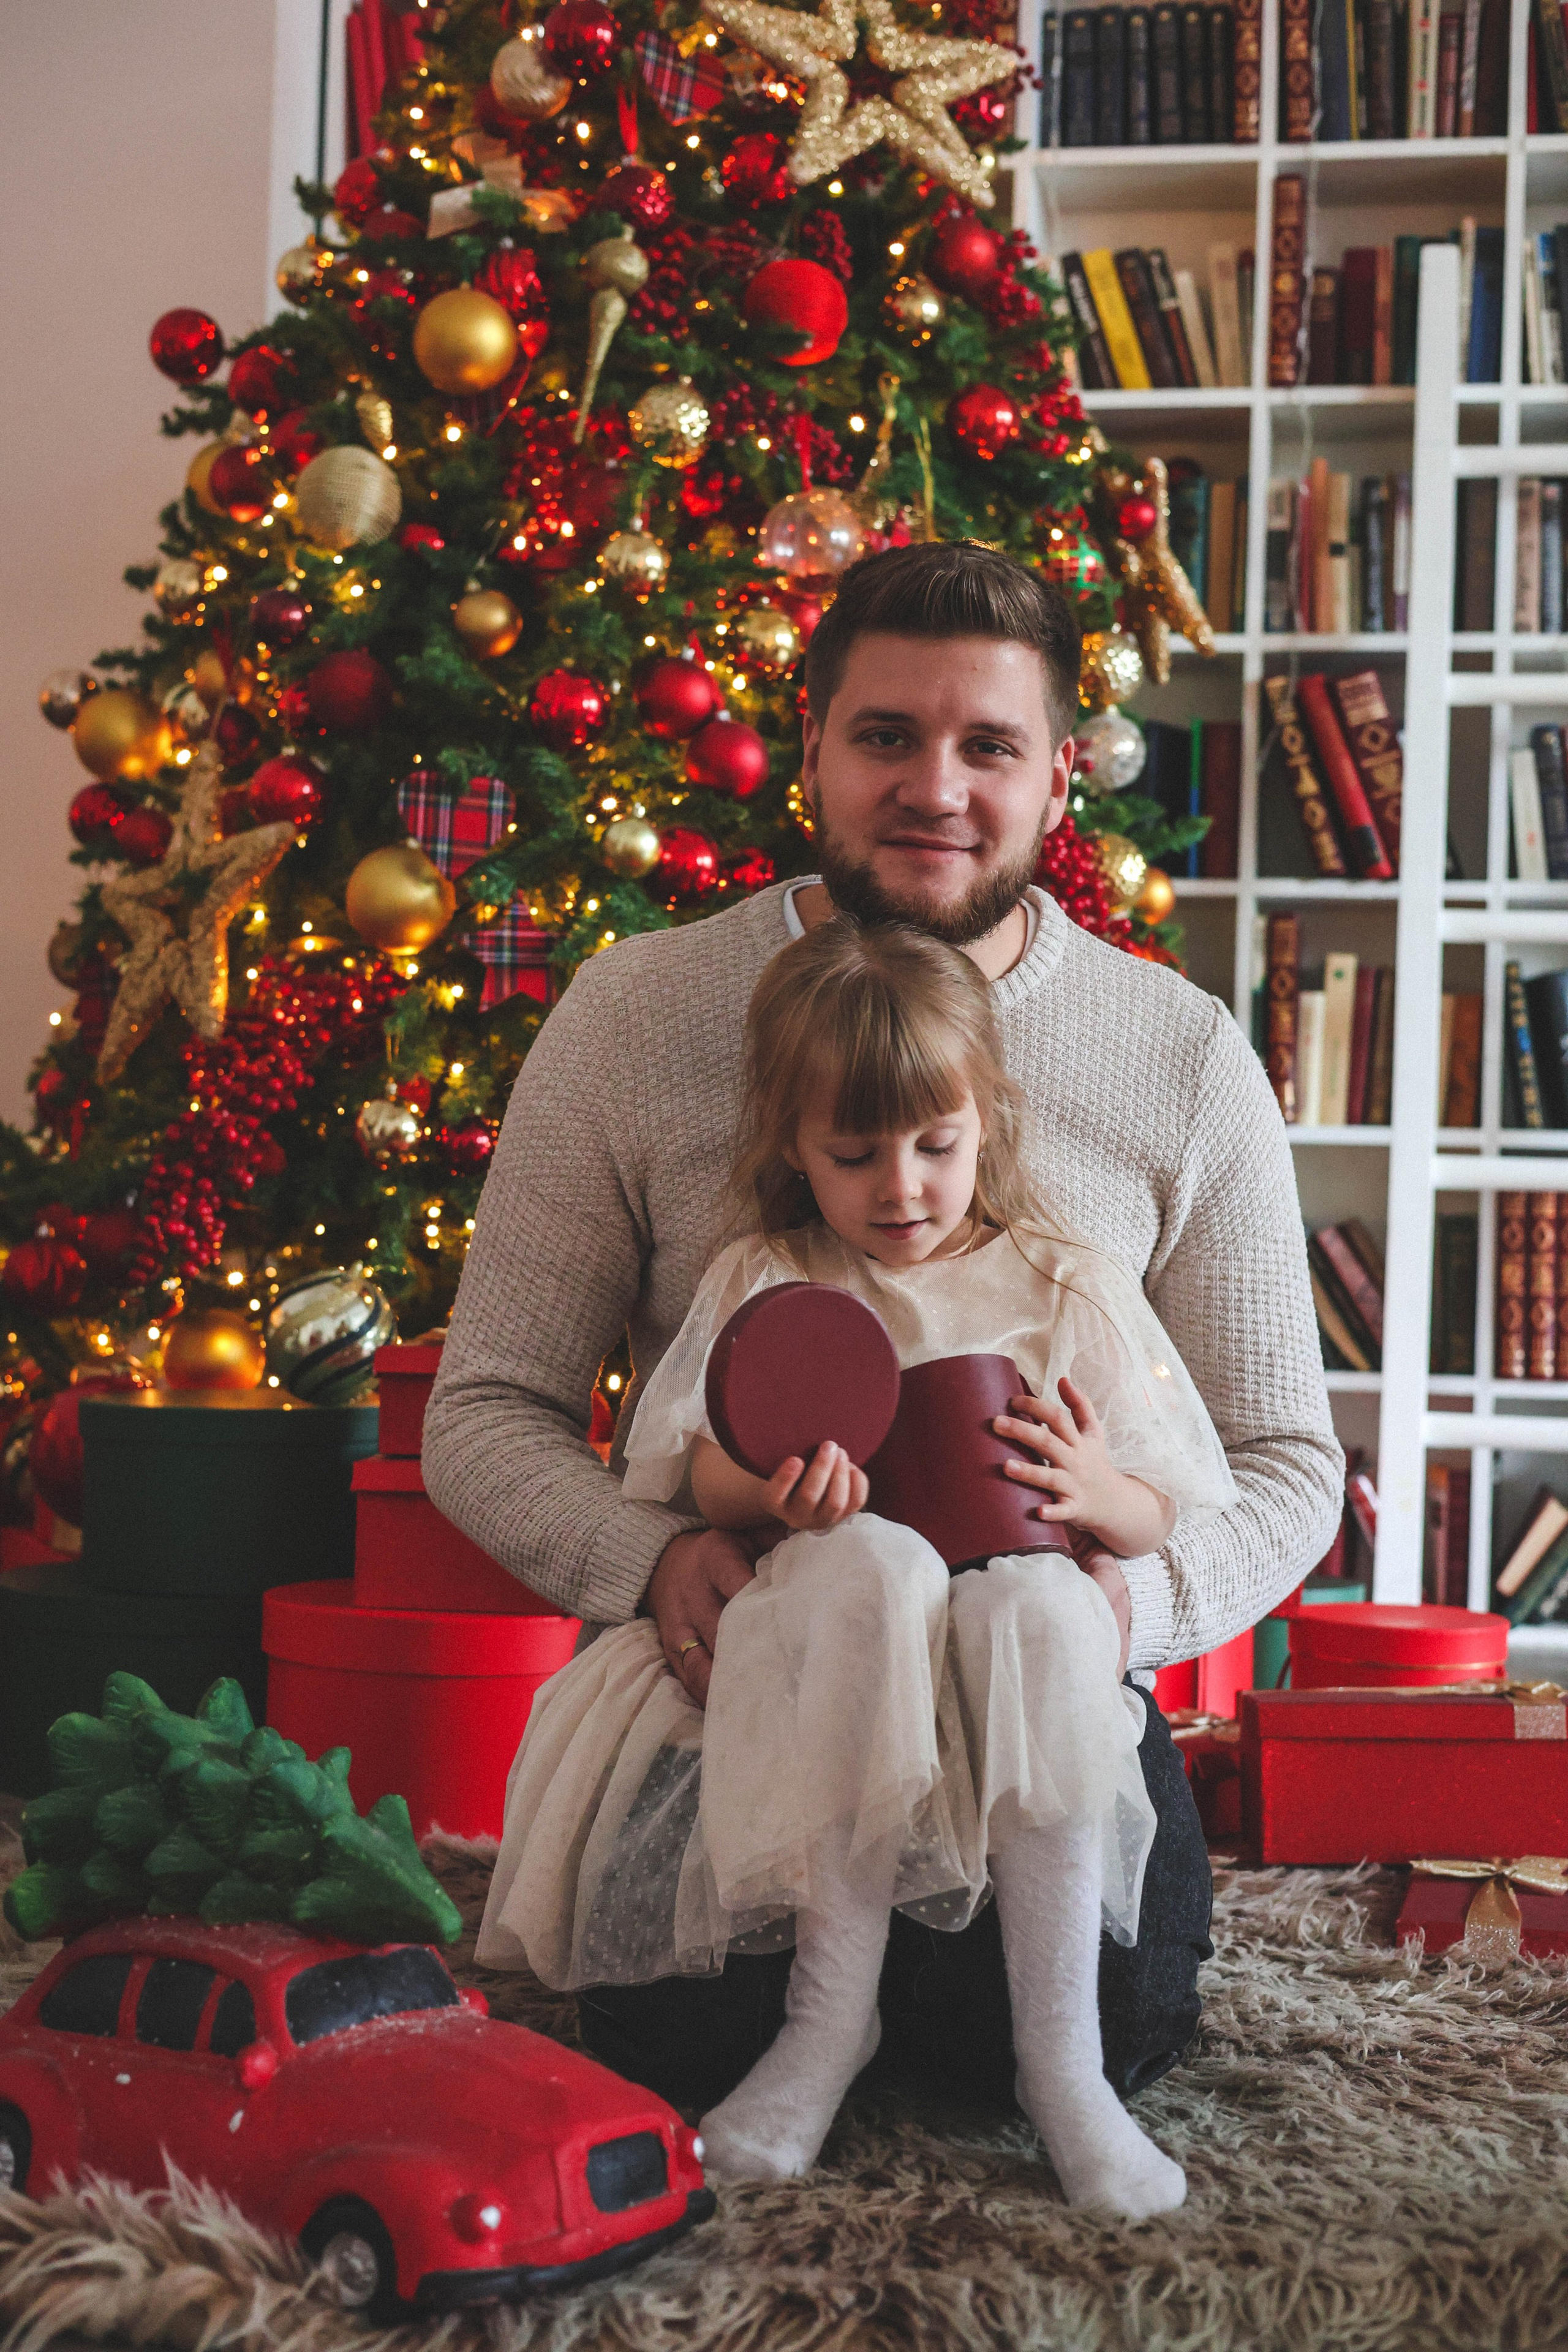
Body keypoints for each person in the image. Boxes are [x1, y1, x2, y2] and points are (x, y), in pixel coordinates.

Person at [424, 538, 1342, 2131]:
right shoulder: (638, 1015)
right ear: (810, 751)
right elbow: (486, 1411)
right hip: (749, 1693)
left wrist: (1128, 1605)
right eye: (885, 737)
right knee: (685, 2050)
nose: (936, 787)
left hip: (1041, 1687)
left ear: (1061, 776)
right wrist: (650, 1562)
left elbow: (1284, 1465)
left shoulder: (1180, 1056)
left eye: (987, 746)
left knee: (1060, 2051)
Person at [477, 921, 1238, 2212]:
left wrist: (1102, 1496)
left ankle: (1064, 2065)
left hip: (1006, 1673)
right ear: (789, 1145)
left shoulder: (1063, 1283)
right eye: (853, 1154)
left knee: (1047, 1603)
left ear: (985, 1122)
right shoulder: (765, 1278)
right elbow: (679, 1469)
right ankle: (827, 2024)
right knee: (864, 1564)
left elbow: (1169, 1500)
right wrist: (767, 1488)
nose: (901, 1188)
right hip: (826, 1659)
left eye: (935, 1146)